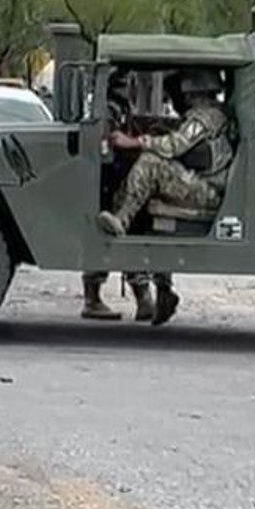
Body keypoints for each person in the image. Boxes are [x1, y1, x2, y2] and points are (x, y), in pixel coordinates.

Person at [96, 69, 234, 322]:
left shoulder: (206, 117)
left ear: (193, 91)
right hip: (203, 185)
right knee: (150, 212)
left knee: (150, 163)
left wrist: (134, 142)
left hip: (207, 191)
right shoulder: (210, 116)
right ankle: (162, 289)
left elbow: (174, 146)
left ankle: (122, 219)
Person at [83, 68, 154, 322]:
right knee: (116, 237)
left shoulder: (118, 109)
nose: (127, 90)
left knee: (124, 236)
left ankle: (141, 298)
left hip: (119, 179)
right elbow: (103, 145)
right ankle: (97, 297)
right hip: (110, 181)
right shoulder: (108, 110)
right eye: (124, 85)